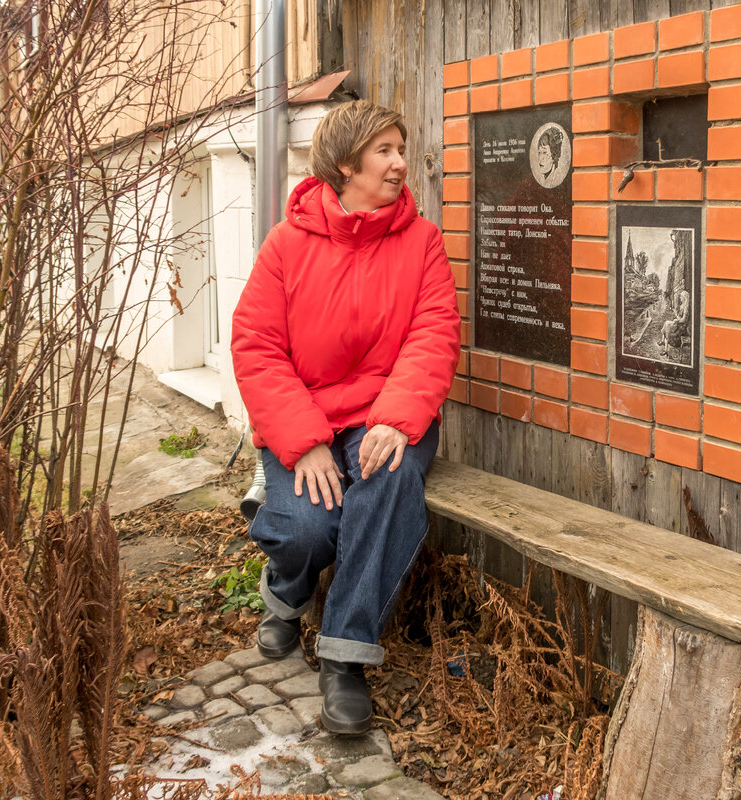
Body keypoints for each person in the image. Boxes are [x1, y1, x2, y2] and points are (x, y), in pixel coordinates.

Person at [230, 101, 460, 734]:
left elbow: (434, 334)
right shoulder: (286, 245)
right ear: (343, 163)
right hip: (306, 418)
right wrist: (302, 443)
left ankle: (345, 656)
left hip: (388, 415)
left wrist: (397, 418)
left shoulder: (422, 242)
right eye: (383, 151)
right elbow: (256, 346)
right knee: (307, 527)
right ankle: (286, 592)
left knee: (387, 483)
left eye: (399, 148)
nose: (399, 163)